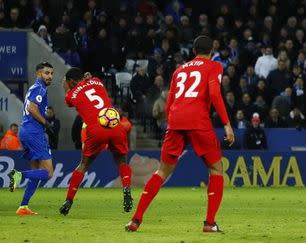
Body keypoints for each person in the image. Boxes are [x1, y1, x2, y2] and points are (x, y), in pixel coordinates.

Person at [125, 35, 235, 233]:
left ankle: (135, 219)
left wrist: (170, 123)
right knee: (216, 170)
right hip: (198, 121)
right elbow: (215, 94)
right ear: (212, 51)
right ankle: (209, 223)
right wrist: (226, 124)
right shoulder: (214, 66)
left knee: (162, 171)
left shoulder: (179, 70)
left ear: (193, 51)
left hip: (175, 121)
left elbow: (170, 101)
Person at [59, 69, 133, 216]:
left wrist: (67, 88)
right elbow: (91, 84)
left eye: (66, 82)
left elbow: (68, 102)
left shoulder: (71, 94)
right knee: (122, 161)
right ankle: (126, 189)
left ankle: (68, 200)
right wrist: (88, 79)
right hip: (115, 125)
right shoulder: (97, 81)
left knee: (84, 164)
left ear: (71, 81)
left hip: (96, 128)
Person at [8, 62, 55, 215]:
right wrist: (46, 123)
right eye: (46, 73)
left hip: (26, 131)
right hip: (34, 133)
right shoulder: (40, 88)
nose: (50, 76)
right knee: (48, 172)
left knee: (36, 171)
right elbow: (31, 108)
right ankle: (18, 174)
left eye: (51, 73)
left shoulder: (33, 88)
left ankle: (23, 206)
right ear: (38, 74)